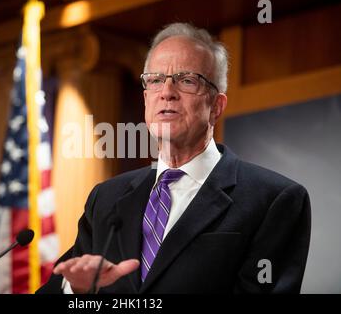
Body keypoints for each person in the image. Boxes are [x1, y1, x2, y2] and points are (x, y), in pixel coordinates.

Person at [37, 22, 311, 294]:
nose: (167, 92)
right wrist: (76, 290)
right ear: (146, 99)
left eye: (187, 80)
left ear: (216, 106)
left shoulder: (274, 200)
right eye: (155, 80)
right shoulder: (106, 199)